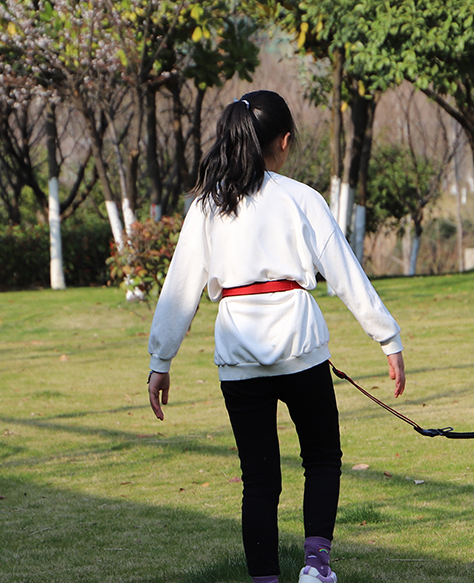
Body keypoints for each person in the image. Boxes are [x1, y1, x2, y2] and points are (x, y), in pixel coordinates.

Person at [145, 90, 406, 583]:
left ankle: (265, 578)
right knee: (323, 456)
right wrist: (387, 339)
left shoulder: (207, 206)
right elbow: (346, 274)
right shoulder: (301, 198)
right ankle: (316, 567)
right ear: (283, 141)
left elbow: (179, 288)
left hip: (238, 356)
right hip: (301, 350)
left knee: (259, 479)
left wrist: (162, 360)